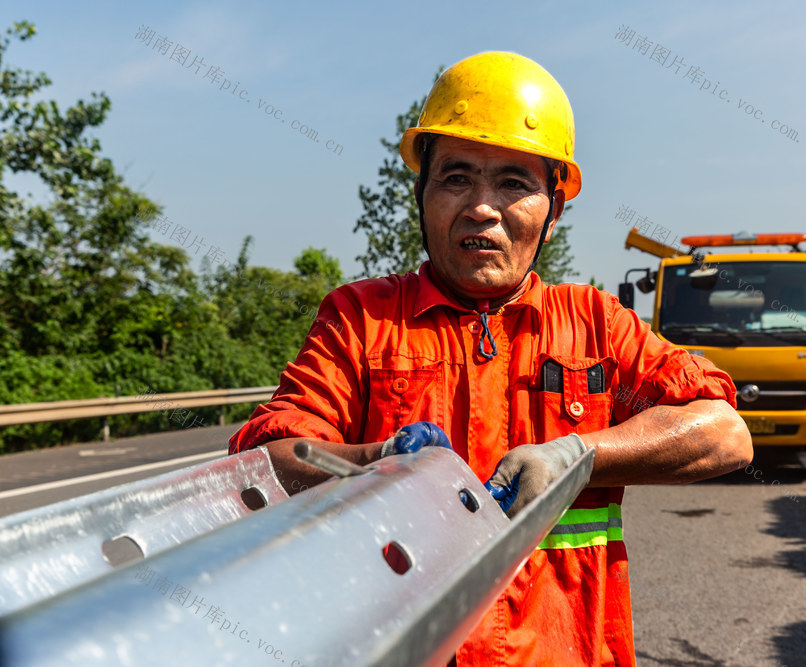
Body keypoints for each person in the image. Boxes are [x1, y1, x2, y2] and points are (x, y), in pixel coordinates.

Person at [229, 51, 753, 666]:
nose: (481, 206)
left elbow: (724, 433)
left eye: (513, 182)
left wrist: (580, 455)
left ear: (553, 212)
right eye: (455, 178)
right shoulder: (361, 318)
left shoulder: (595, 324)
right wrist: (376, 462)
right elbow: (267, 456)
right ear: (421, 196)